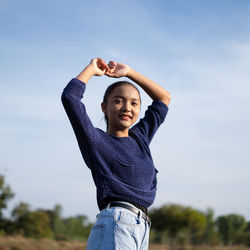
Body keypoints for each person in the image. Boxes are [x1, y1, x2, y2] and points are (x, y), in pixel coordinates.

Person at [61, 58, 171, 250]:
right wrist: (91, 70)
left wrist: (129, 72)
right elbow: (70, 97)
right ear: (104, 107)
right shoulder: (95, 140)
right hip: (118, 222)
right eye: (118, 101)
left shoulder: (141, 137)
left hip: (140, 226)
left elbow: (164, 99)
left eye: (134, 103)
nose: (127, 107)